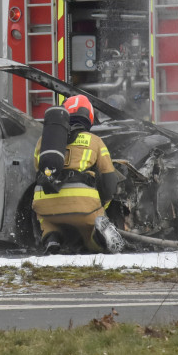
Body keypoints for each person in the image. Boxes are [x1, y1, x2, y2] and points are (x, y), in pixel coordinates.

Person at [31, 94, 125, 255]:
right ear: (89, 115)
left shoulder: (43, 141)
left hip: (44, 202)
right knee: (90, 232)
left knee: (48, 222)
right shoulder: (95, 141)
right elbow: (110, 179)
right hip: (84, 205)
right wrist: (103, 206)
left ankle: (51, 237)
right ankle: (96, 239)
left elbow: (37, 169)